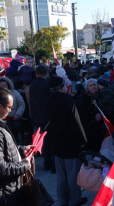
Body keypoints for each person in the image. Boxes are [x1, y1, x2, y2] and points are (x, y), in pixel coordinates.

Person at [46, 76, 88, 206]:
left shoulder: (48, 100)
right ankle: (74, 200)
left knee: (61, 175)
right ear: (62, 87)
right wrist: (83, 140)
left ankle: (63, 200)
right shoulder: (68, 100)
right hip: (70, 142)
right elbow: (75, 122)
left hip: (56, 142)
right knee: (72, 174)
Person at [29, 65, 54, 172]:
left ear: (36, 73)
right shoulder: (48, 84)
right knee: (49, 141)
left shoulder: (32, 85)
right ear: (47, 72)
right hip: (47, 116)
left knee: (38, 140)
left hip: (36, 116)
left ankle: (44, 162)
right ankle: (49, 163)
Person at [0, 76, 26, 143]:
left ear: (8, 85)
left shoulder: (15, 93)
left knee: (14, 139)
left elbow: (21, 104)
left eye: (5, 85)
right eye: (2, 85)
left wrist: (18, 114)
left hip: (13, 120)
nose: (4, 86)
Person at [78, 79, 105, 152]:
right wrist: (94, 116)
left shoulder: (102, 95)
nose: (93, 87)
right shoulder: (85, 98)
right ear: (88, 88)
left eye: (94, 85)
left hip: (103, 127)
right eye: (91, 85)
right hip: (91, 128)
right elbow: (83, 112)